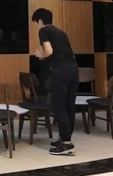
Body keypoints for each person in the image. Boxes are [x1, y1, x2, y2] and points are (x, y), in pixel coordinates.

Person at [32, 8, 79, 156]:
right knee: (69, 105)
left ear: (40, 20)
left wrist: (41, 54)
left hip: (61, 69)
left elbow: (49, 51)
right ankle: (65, 138)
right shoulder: (61, 32)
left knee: (58, 105)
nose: (37, 26)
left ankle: (67, 144)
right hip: (73, 68)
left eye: (36, 23)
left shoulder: (44, 30)